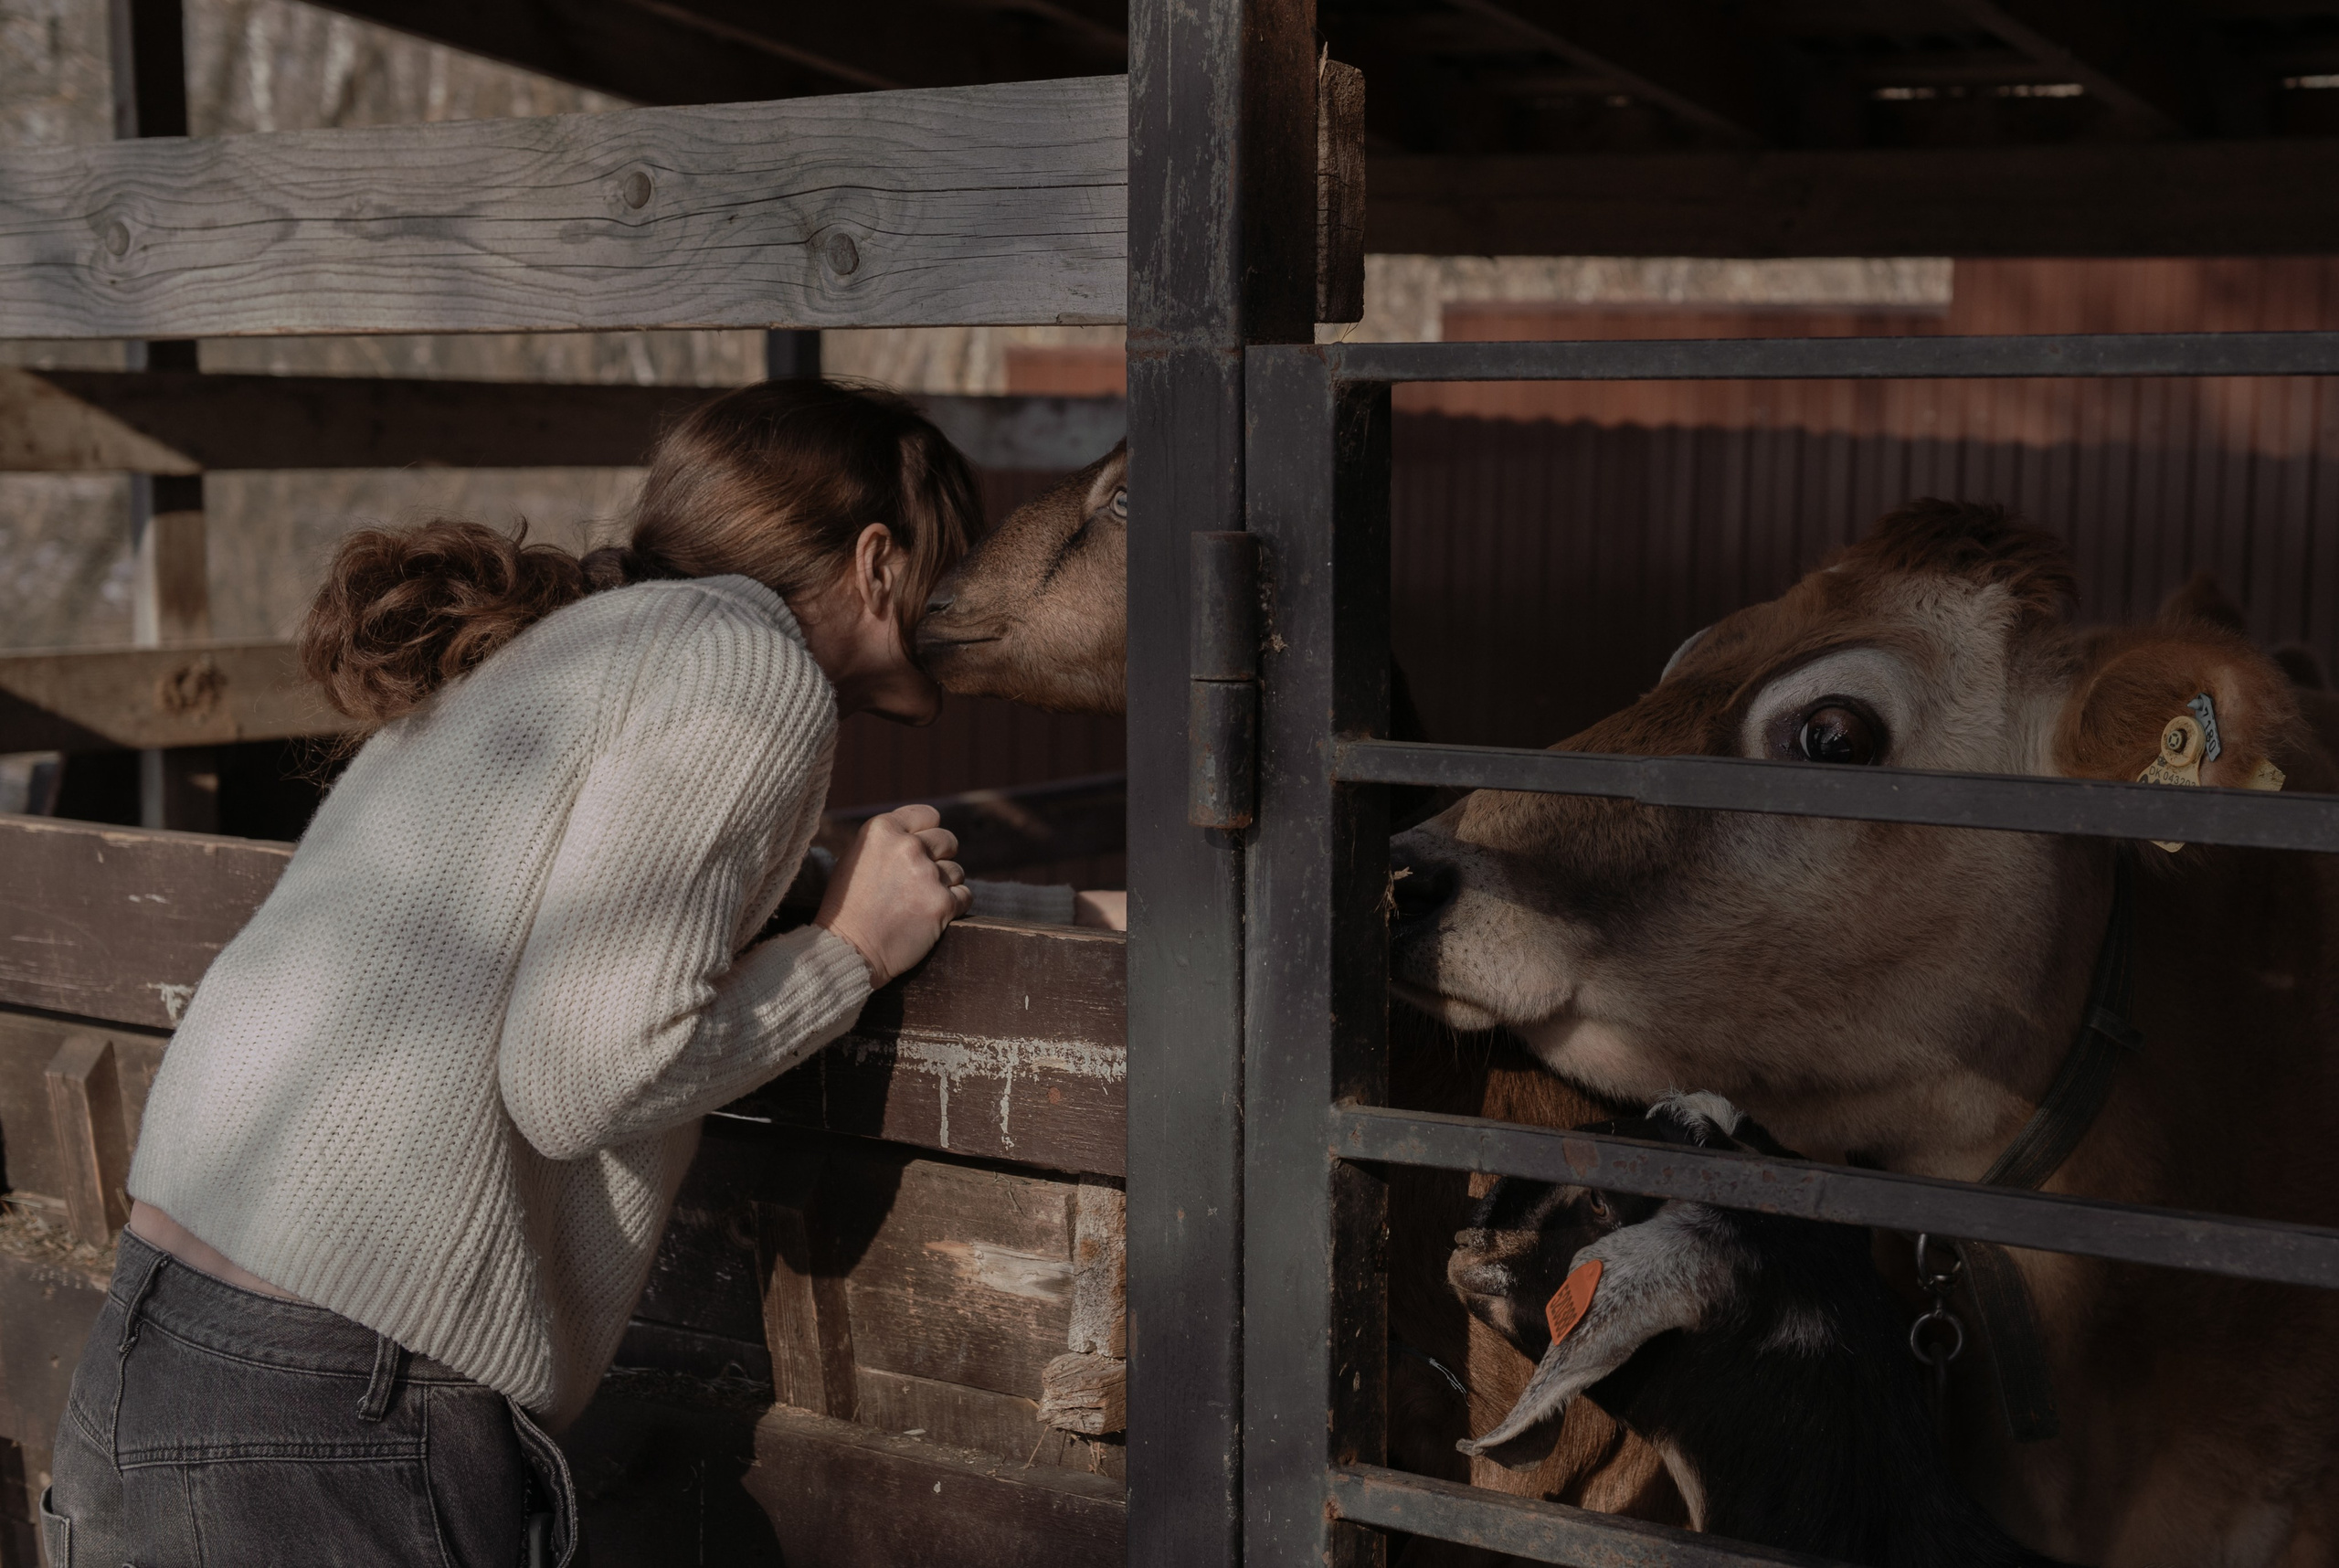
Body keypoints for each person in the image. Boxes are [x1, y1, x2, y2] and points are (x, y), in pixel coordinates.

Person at [41, 380, 1048, 1567]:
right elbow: (586, 1078)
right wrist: (852, 952)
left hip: (160, 1343)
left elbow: (603, 902)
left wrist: (824, 897)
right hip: (330, 1404)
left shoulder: (587, 646)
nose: (963, 598)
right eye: (953, 560)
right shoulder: (751, 667)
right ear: (879, 563)